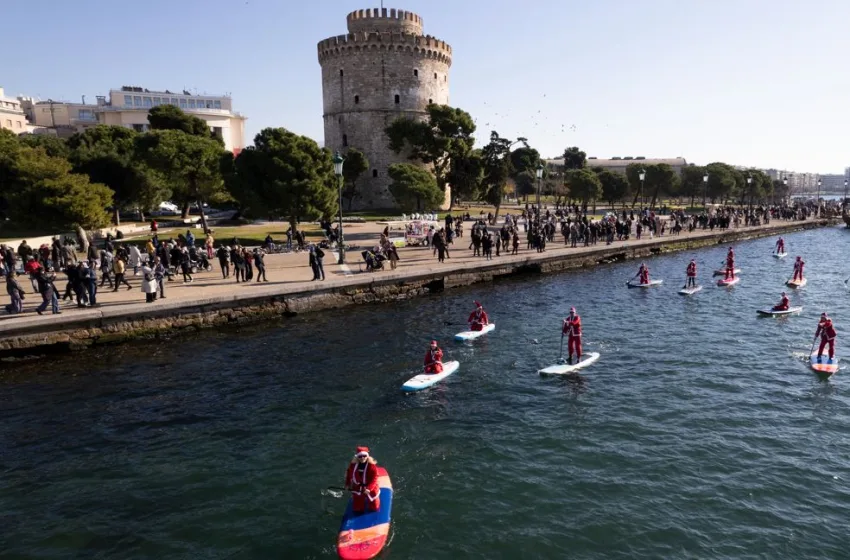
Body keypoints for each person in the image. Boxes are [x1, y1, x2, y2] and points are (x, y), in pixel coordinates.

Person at [344, 446, 381, 514]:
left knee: (374, 505)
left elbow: (375, 478)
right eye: (360, 456)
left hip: (370, 488)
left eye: (364, 455)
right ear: (357, 457)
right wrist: (347, 484)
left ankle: (374, 511)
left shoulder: (372, 466)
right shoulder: (353, 465)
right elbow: (349, 475)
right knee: (358, 506)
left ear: (367, 456)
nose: (362, 458)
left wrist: (369, 489)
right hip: (358, 487)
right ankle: (358, 511)